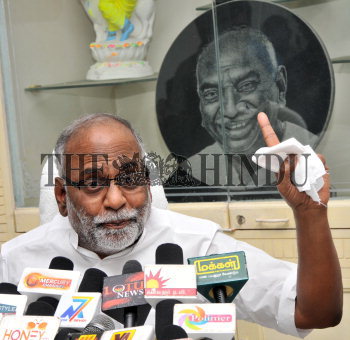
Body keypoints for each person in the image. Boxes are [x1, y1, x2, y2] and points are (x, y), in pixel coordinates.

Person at [0, 113, 342, 337]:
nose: (116, 200)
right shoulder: (15, 263)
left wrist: (310, 215)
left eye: (131, 179)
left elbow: (314, 312)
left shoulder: (200, 248)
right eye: (93, 183)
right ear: (62, 196)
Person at [188, 27, 318, 186]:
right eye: (211, 94)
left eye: (246, 85)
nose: (230, 110)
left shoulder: (316, 153)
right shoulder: (193, 170)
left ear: (280, 86)